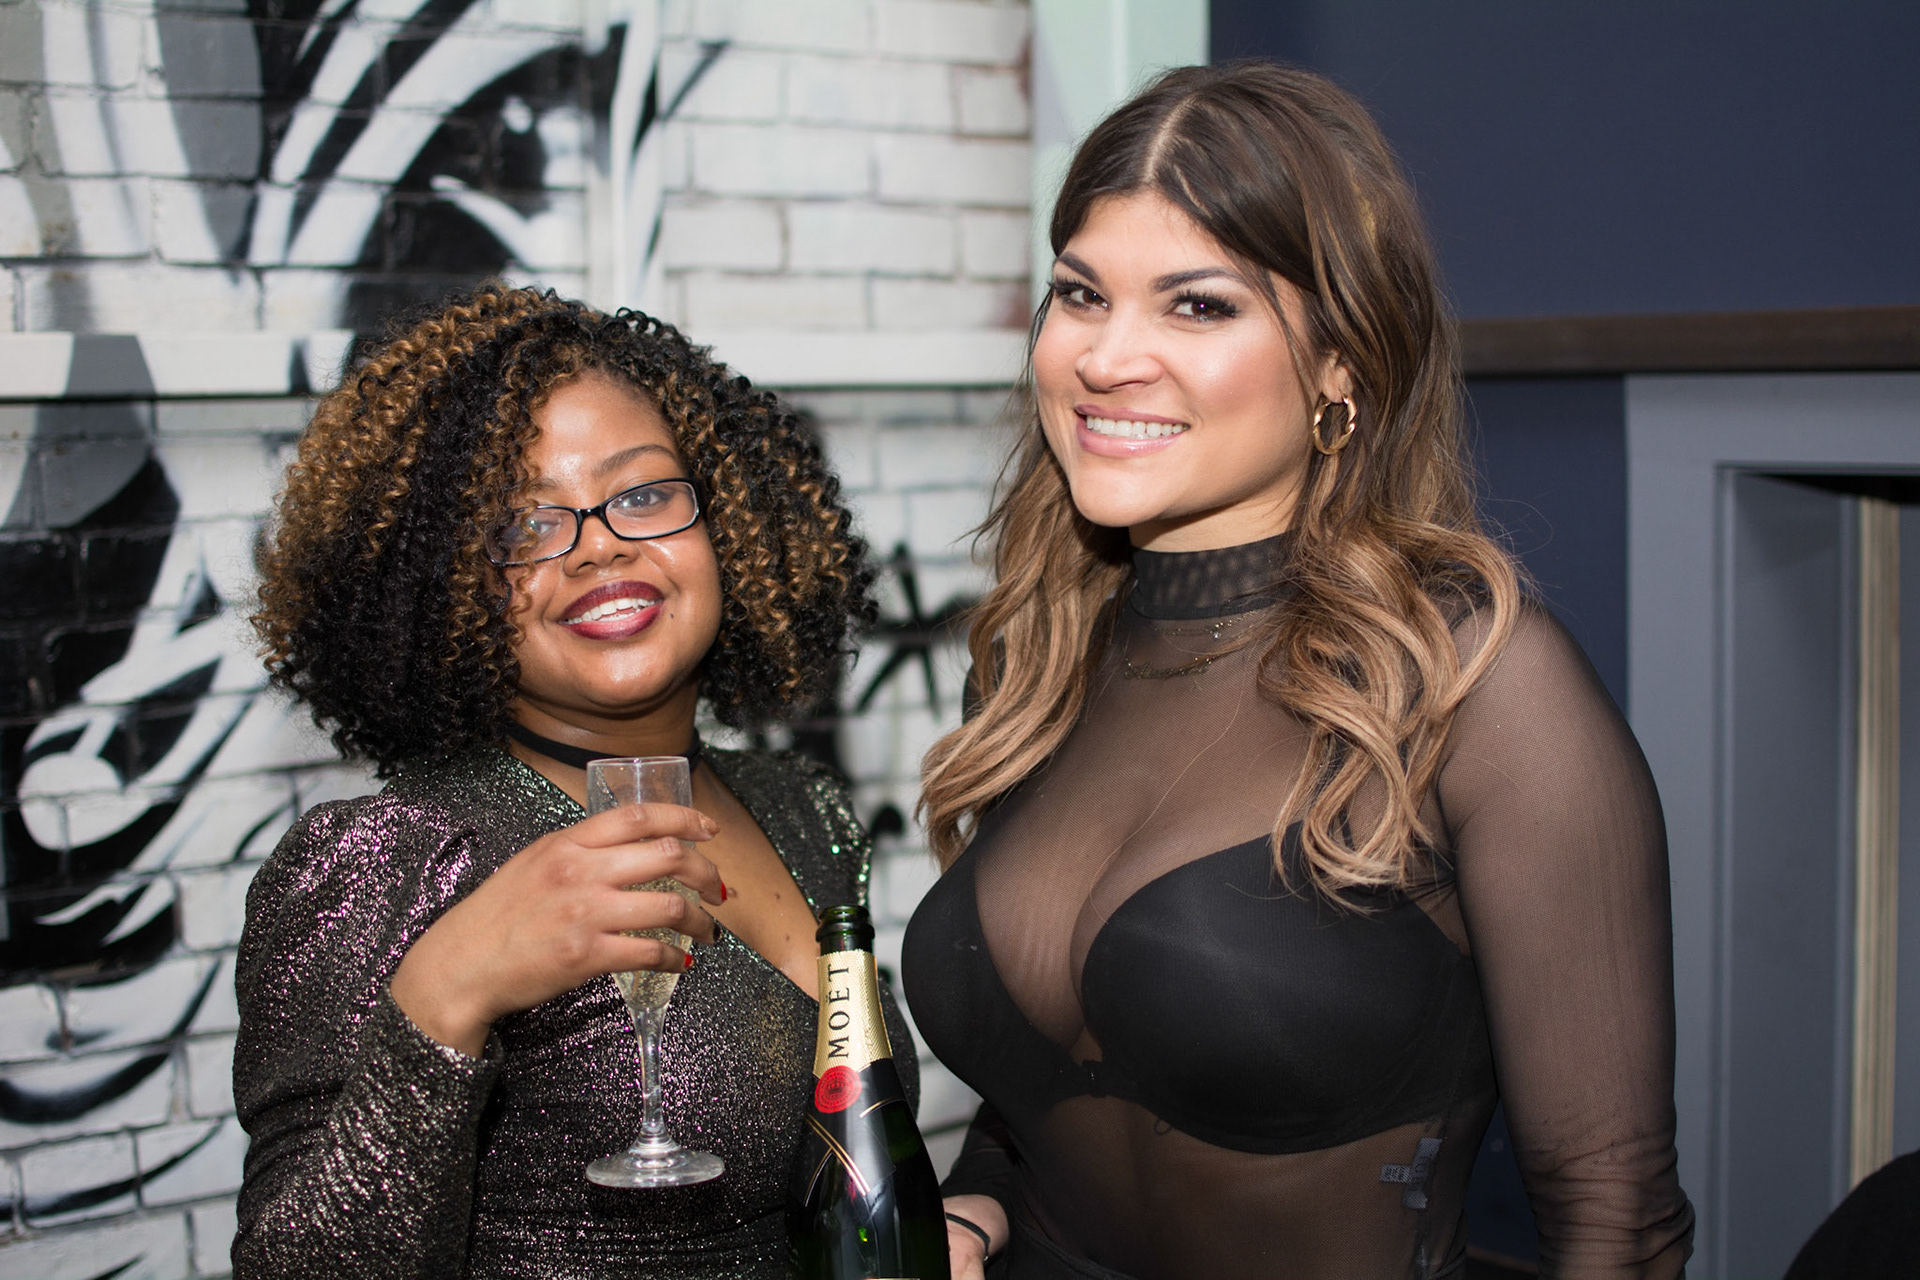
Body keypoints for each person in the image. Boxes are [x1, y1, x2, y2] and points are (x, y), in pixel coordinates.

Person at [902, 63, 1694, 1280]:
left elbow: (1616, 1212)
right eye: (1080, 293)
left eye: (1198, 305)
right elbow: (1045, 1102)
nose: (1107, 356)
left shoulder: (1472, 683)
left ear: (1341, 362)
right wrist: (972, 1206)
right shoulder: (1037, 662)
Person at [235, 285, 908, 1279]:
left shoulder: (801, 809)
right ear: (445, 585)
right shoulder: (387, 857)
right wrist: (449, 987)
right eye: (522, 524)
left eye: (642, 494)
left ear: (726, 524)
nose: (599, 544)